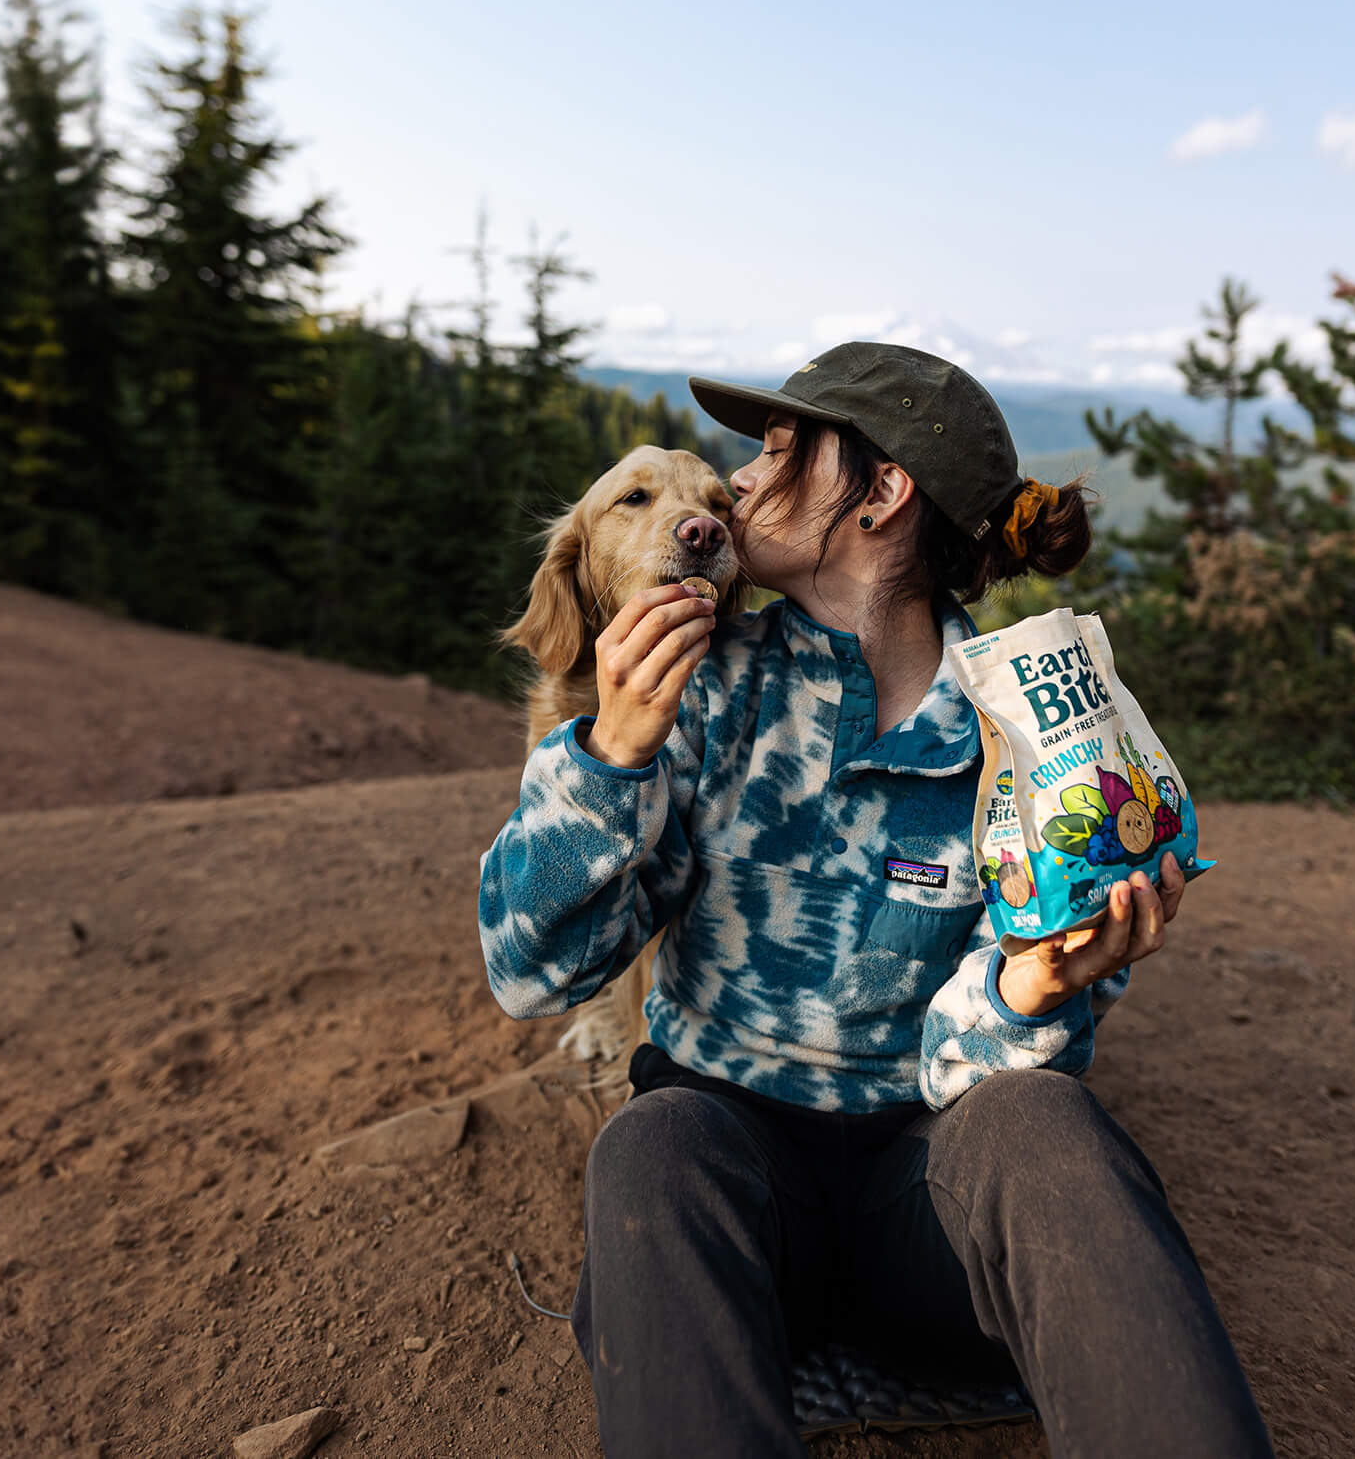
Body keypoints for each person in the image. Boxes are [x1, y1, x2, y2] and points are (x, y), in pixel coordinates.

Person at [476, 343, 1275, 1457]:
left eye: (776, 451)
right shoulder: (704, 690)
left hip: (931, 1231)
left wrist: (1029, 984)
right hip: (740, 1219)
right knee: (652, 1146)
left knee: (1044, 1118)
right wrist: (609, 755)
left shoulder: (1031, 744)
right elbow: (532, 975)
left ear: (884, 492)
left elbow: (970, 1063)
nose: (740, 483)